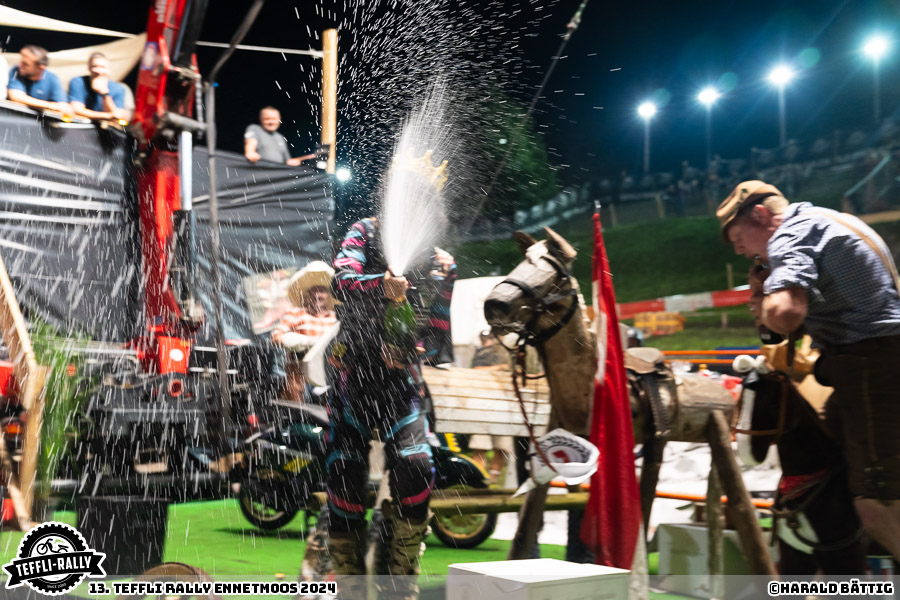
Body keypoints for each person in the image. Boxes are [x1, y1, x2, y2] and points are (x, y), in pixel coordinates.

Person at [717, 179, 900, 560]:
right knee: (830, 456)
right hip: (871, 359)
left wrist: (767, 299)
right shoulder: (825, 220)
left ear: (762, 216)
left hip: (871, 364)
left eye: (739, 237)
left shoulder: (789, 237)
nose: (739, 249)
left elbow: (785, 314)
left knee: (877, 504)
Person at [326, 215, 455, 599]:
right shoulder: (365, 230)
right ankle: (349, 586)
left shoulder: (442, 264)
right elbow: (341, 279)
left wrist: (410, 351)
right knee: (344, 472)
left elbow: (437, 337)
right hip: (353, 379)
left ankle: (402, 583)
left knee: (417, 467)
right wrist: (381, 284)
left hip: (402, 388)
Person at [271, 261, 338, 403]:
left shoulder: (335, 317)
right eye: (313, 290)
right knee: (295, 390)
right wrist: (304, 342)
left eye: (322, 290)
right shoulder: (297, 313)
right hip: (300, 374)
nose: (317, 295)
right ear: (307, 294)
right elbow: (276, 337)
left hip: (331, 374)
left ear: (329, 294)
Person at [468, 330, 513, 486]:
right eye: (484, 339)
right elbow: (474, 372)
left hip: (503, 405)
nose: (486, 341)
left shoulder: (505, 351)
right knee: (480, 445)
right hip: (482, 404)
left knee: (501, 445)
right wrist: (500, 368)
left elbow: (511, 369)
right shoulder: (480, 353)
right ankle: (479, 478)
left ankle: (493, 478)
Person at [67, 52, 132, 122]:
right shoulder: (78, 82)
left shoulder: (119, 88)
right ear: (89, 68)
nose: (99, 71)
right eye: (95, 66)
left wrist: (104, 93)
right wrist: (108, 116)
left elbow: (118, 116)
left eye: (102, 67)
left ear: (108, 70)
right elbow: (77, 110)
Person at [7, 45, 71, 114]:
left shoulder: (52, 78)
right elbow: (16, 97)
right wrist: (51, 106)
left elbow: (64, 107)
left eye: (25, 64)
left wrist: (57, 107)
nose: (20, 65)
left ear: (40, 68)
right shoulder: (16, 71)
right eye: (21, 61)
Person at [244, 106, 316, 166]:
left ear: (279, 120)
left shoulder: (280, 137)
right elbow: (250, 144)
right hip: (260, 174)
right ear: (261, 119)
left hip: (277, 177)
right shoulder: (254, 129)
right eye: (267, 119)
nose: (271, 122)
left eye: (274, 119)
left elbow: (287, 161)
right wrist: (250, 152)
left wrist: (309, 157)